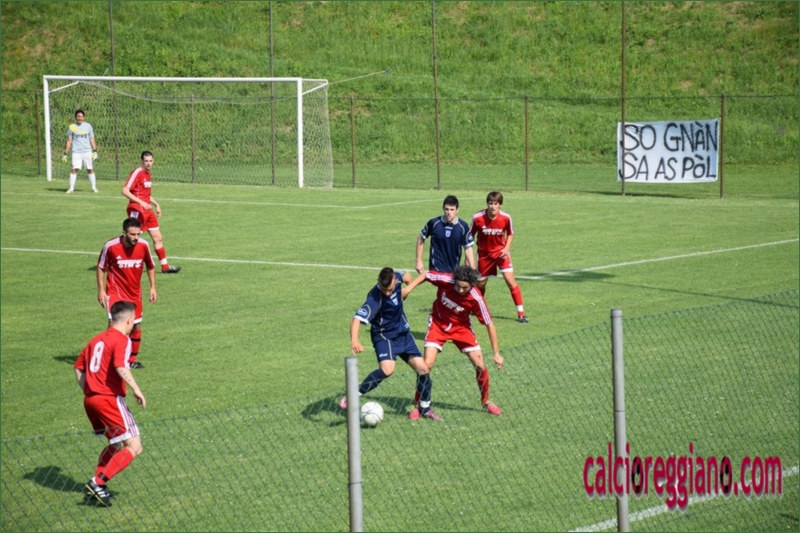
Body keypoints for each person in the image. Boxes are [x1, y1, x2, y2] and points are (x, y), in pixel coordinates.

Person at [338, 267, 442, 421]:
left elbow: (403, 276)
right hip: (384, 337)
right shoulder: (375, 298)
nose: (387, 293)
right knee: (388, 369)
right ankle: (353, 395)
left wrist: (407, 281)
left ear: (394, 280)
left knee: (424, 370)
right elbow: (357, 319)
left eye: (390, 289)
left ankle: (425, 409)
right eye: (384, 289)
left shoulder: (397, 277)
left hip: (403, 335)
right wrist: (355, 340)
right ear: (379, 282)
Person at [74, 300, 146, 507]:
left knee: (115, 443)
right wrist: (136, 388)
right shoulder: (122, 339)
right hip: (108, 400)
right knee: (134, 446)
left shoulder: (95, 340)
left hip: (91, 401)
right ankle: (97, 482)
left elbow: (77, 367)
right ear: (129, 320)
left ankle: (98, 486)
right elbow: (120, 366)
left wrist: (89, 389)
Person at [409, 265, 504, 419]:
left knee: (480, 365)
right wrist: (407, 290)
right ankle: (418, 403)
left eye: (464, 288)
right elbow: (426, 275)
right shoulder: (446, 280)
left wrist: (496, 353)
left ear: (472, 285)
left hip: (462, 329)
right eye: (458, 286)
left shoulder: (476, 298)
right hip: (438, 325)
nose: (460, 290)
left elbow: (489, 324)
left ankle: (486, 401)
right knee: (426, 365)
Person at [97, 217, 157, 369]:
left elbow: (150, 266)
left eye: (138, 234)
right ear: (124, 233)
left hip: (134, 293)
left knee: (135, 326)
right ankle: (108, 359)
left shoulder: (143, 245)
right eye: (132, 234)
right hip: (115, 292)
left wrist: (152, 287)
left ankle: (131, 360)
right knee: (114, 325)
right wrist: (101, 290)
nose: (136, 237)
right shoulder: (111, 246)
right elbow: (101, 267)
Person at [470, 191, 529, 323]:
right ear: (487, 204)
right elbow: (470, 235)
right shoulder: (477, 218)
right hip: (484, 255)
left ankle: (521, 313)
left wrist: (506, 248)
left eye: (495, 203)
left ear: (500, 205)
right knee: (481, 284)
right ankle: (477, 308)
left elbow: (511, 234)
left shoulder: (506, 218)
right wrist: (469, 254)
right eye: (490, 203)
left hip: (501, 254)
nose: (493, 206)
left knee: (510, 280)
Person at [122, 150, 182, 274]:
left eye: (150, 161)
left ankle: (165, 267)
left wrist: (156, 204)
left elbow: (145, 194)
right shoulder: (137, 172)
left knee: (158, 237)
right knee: (133, 237)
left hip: (147, 210)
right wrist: (141, 202)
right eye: (146, 161)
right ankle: (123, 263)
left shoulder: (148, 173)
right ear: (141, 161)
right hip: (137, 209)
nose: (148, 163)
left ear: (153, 161)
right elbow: (125, 191)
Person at [415, 195, 475, 275]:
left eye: (452, 210)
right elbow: (421, 237)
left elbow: (468, 248)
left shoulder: (463, 227)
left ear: (457, 210)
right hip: (436, 269)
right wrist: (418, 261)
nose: (449, 213)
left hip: (453, 271)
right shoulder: (434, 223)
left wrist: (472, 269)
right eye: (447, 209)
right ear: (443, 208)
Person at [61, 109, 99, 194]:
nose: (80, 118)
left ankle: (93, 187)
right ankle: (71, 188)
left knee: (90, 169)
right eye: (78, 116)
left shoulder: (88, 126)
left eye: (81, 116)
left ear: (84, 117)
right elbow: (69, 141)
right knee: (74, 169)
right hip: (76, 152)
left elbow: (92, 139)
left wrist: (94, 151)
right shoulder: (72, 127)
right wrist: (65, 153)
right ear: (75, 117)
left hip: (87, 151)